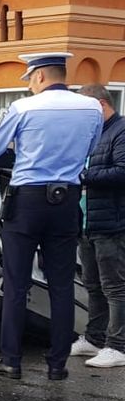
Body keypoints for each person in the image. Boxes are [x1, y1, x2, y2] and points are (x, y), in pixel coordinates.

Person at [0, 52, 102, 380]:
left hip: (27, 201)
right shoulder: (92, 108)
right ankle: (57, 365)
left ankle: (11, 361)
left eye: (30, 79)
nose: (29, 85)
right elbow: (91, 149)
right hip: (67, 200)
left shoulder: (24, 108)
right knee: (61, 284)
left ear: (41, 76)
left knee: (16, 283)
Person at [69, 84, 125, 368]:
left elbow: (122, 171)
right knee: (92, 285)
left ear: (101, 105)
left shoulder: (121, 130)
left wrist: (83, 175)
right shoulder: (94, 134)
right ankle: (94, 338)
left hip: (112, 223)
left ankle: (117, 346)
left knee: (114, 286)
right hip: (88, 222)